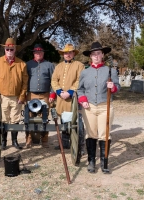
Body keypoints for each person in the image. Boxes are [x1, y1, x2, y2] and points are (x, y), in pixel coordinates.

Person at [77, 41, 120, 173]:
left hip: (104, 106)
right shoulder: (85, 72)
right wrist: (83, 100)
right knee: (91, 134)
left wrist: (112, 87)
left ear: (103, 55)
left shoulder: (110, 71)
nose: (96, 56)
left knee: (104, 134)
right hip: (89, 107)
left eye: (98, 53)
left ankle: (104, 162)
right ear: (90, 56)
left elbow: (118, 87)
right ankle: (91, 161)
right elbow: (80, 89)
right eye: (93, 54)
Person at [0, 38, 29, 150]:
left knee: (15, 119)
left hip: (16, 97)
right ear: (4, 50)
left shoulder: (22, 64)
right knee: (3, 119)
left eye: (12, 49)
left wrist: (22, 96)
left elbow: (25, 82)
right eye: (7, 49)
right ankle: (3, 141)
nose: (9, 51)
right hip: (2, 97)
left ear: (15, 49)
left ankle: (15, 141)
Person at [51, 43, 84, 150]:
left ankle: (78, 144)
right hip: (61, 98)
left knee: (75, 121)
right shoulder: (59, 66)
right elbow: (54, 80)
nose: (68, 54)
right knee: (63, 119)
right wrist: (59, 91)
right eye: (66, 53)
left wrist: (70, 92)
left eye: (70, 52)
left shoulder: (79, 65)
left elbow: (80, 80)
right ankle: (65, 143)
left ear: (73, 53)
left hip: (73, 97)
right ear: (63, 54)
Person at [26, 44, 56, 148]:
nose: (38, 54)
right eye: (36, 52)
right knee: (29, 117)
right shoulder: (28, 64)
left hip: (45, 95)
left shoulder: (49, 65)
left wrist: (52, 94)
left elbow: (54, 80)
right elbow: (25, 79)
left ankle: (44, 140)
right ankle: (29, 139)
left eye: (40, 52)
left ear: (43, 53)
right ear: (34, 53)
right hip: (31, 94)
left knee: (45, 117)